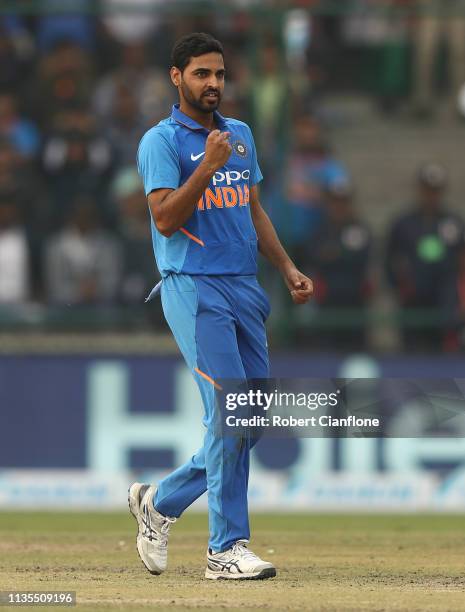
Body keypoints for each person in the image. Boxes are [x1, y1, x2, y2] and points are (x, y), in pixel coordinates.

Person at [131, 32, 313, 581]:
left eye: (219, 74)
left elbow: (251, 209)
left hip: (244, 285)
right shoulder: (160, 142)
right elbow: (164, 219)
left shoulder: (239, 135)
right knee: (232, 416)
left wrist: (285, 266)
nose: (213, 84)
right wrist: (205, 167)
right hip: (193, 285)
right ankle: (224, 549)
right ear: (176, 77)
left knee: (251, 419)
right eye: (201, 74)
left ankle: (160, 501)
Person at [386, 162, 464, 351]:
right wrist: (398, 284)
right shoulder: (403, 223)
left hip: (445, 302)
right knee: (413, 357)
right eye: (427, 190)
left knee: (445, 359)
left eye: (435, 190)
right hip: (413, 301)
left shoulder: (454, 222)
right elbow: (389, 259)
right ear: (419, 190)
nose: (431, 196)